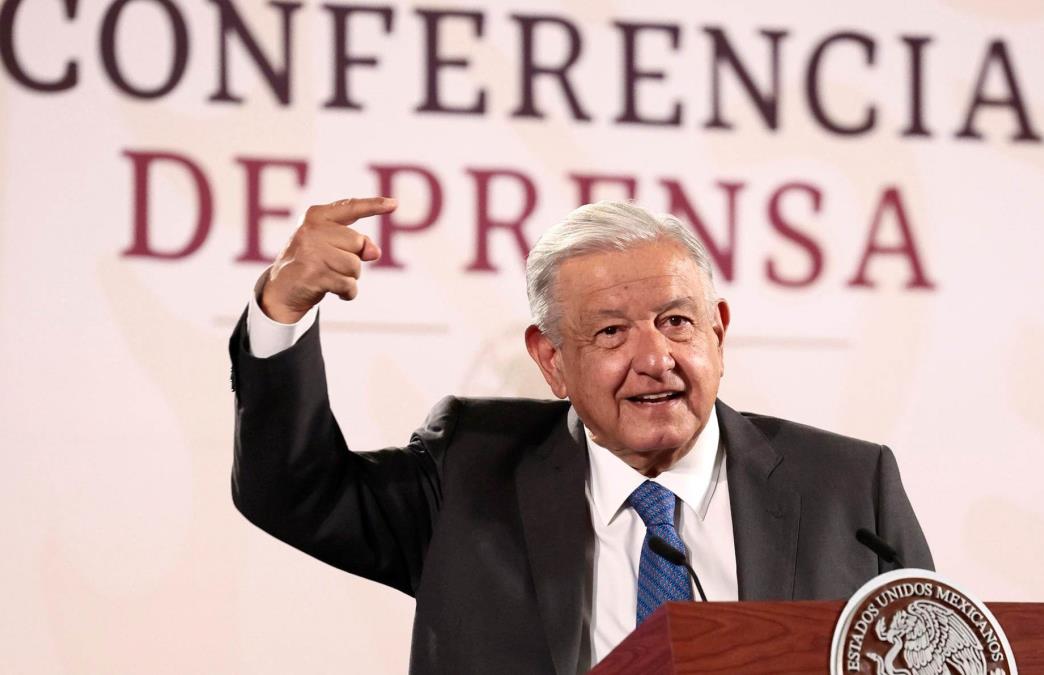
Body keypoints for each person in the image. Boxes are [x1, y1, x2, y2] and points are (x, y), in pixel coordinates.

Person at [229, 197, 933, 674]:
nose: (655, 357)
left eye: (678, 321)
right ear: (552, 360)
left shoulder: (847, 488)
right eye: (611, 331)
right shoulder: (471, 475)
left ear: (719, 330)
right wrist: (283, 307)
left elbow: (942, 650)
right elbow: (293, 489)